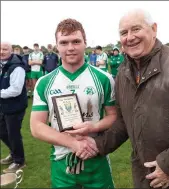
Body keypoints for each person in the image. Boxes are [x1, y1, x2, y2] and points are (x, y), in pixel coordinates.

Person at [71, 9, 169, 188]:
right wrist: (97, 143)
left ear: (154, 29)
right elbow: (124, 123)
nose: (130, 37)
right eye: (124, 33)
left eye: (136, 29)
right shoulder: (124, 73)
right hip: (144, 178)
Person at [30, 18, 116, 188]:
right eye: (64, 42)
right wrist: (73, 143)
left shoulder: (104, 79)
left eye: (76, 41)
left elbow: (114, 116)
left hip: (96, 157)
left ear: (85, 43)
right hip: (62, 161)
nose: (70, 48)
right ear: (57, 46)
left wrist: (94, 127)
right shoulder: (44, 82)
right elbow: (36, 126)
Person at [0, 42, 27, 173]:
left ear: (11, 51)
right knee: (2, 132)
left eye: (4, 49)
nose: (1, 51)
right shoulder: (2, 64)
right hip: (4, 105)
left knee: (13, 134)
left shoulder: (17, 67)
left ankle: (19, 161)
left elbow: (16, 90)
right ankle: (14, 153)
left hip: (16, 105)